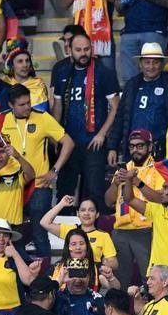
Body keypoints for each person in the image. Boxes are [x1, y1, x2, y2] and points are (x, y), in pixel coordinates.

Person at [51, 33, 120, 210]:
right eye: (79, 50)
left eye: (87, 49)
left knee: (96, 192)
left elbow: (115, 106)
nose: (83, 53)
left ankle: (98, 235)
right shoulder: (62, 72)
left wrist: (102, 134)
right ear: (69, 50)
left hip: (93, 144)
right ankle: (65, 234)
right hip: (69, 143)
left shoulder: (104, 72)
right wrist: (56, 137)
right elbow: (57, 107)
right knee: (64, 192)